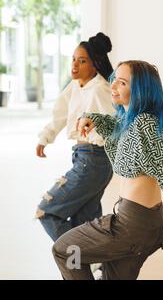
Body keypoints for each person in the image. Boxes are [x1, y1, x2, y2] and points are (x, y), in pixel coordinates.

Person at [52, 60, 163, 280]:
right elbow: (117, 127)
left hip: (133, 224)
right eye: (114, 79)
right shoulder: (131, 119)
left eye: (123, 83)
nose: (114, 86)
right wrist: (94, 119)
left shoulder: (146, 123)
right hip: (143, 222)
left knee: (64, 250)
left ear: (139, 91)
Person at [35, 32, 115, 241]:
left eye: (82, 61)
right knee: (85, 223)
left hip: (94, 159)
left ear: (95, 64)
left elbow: (115, 124)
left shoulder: (100, 89)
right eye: (73, 59)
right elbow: (60, 112)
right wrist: (46, 137)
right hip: (84, 157)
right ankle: (89, 264)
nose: (75, 65)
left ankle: (77, 259)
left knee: (47, 210)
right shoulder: (75, 85)